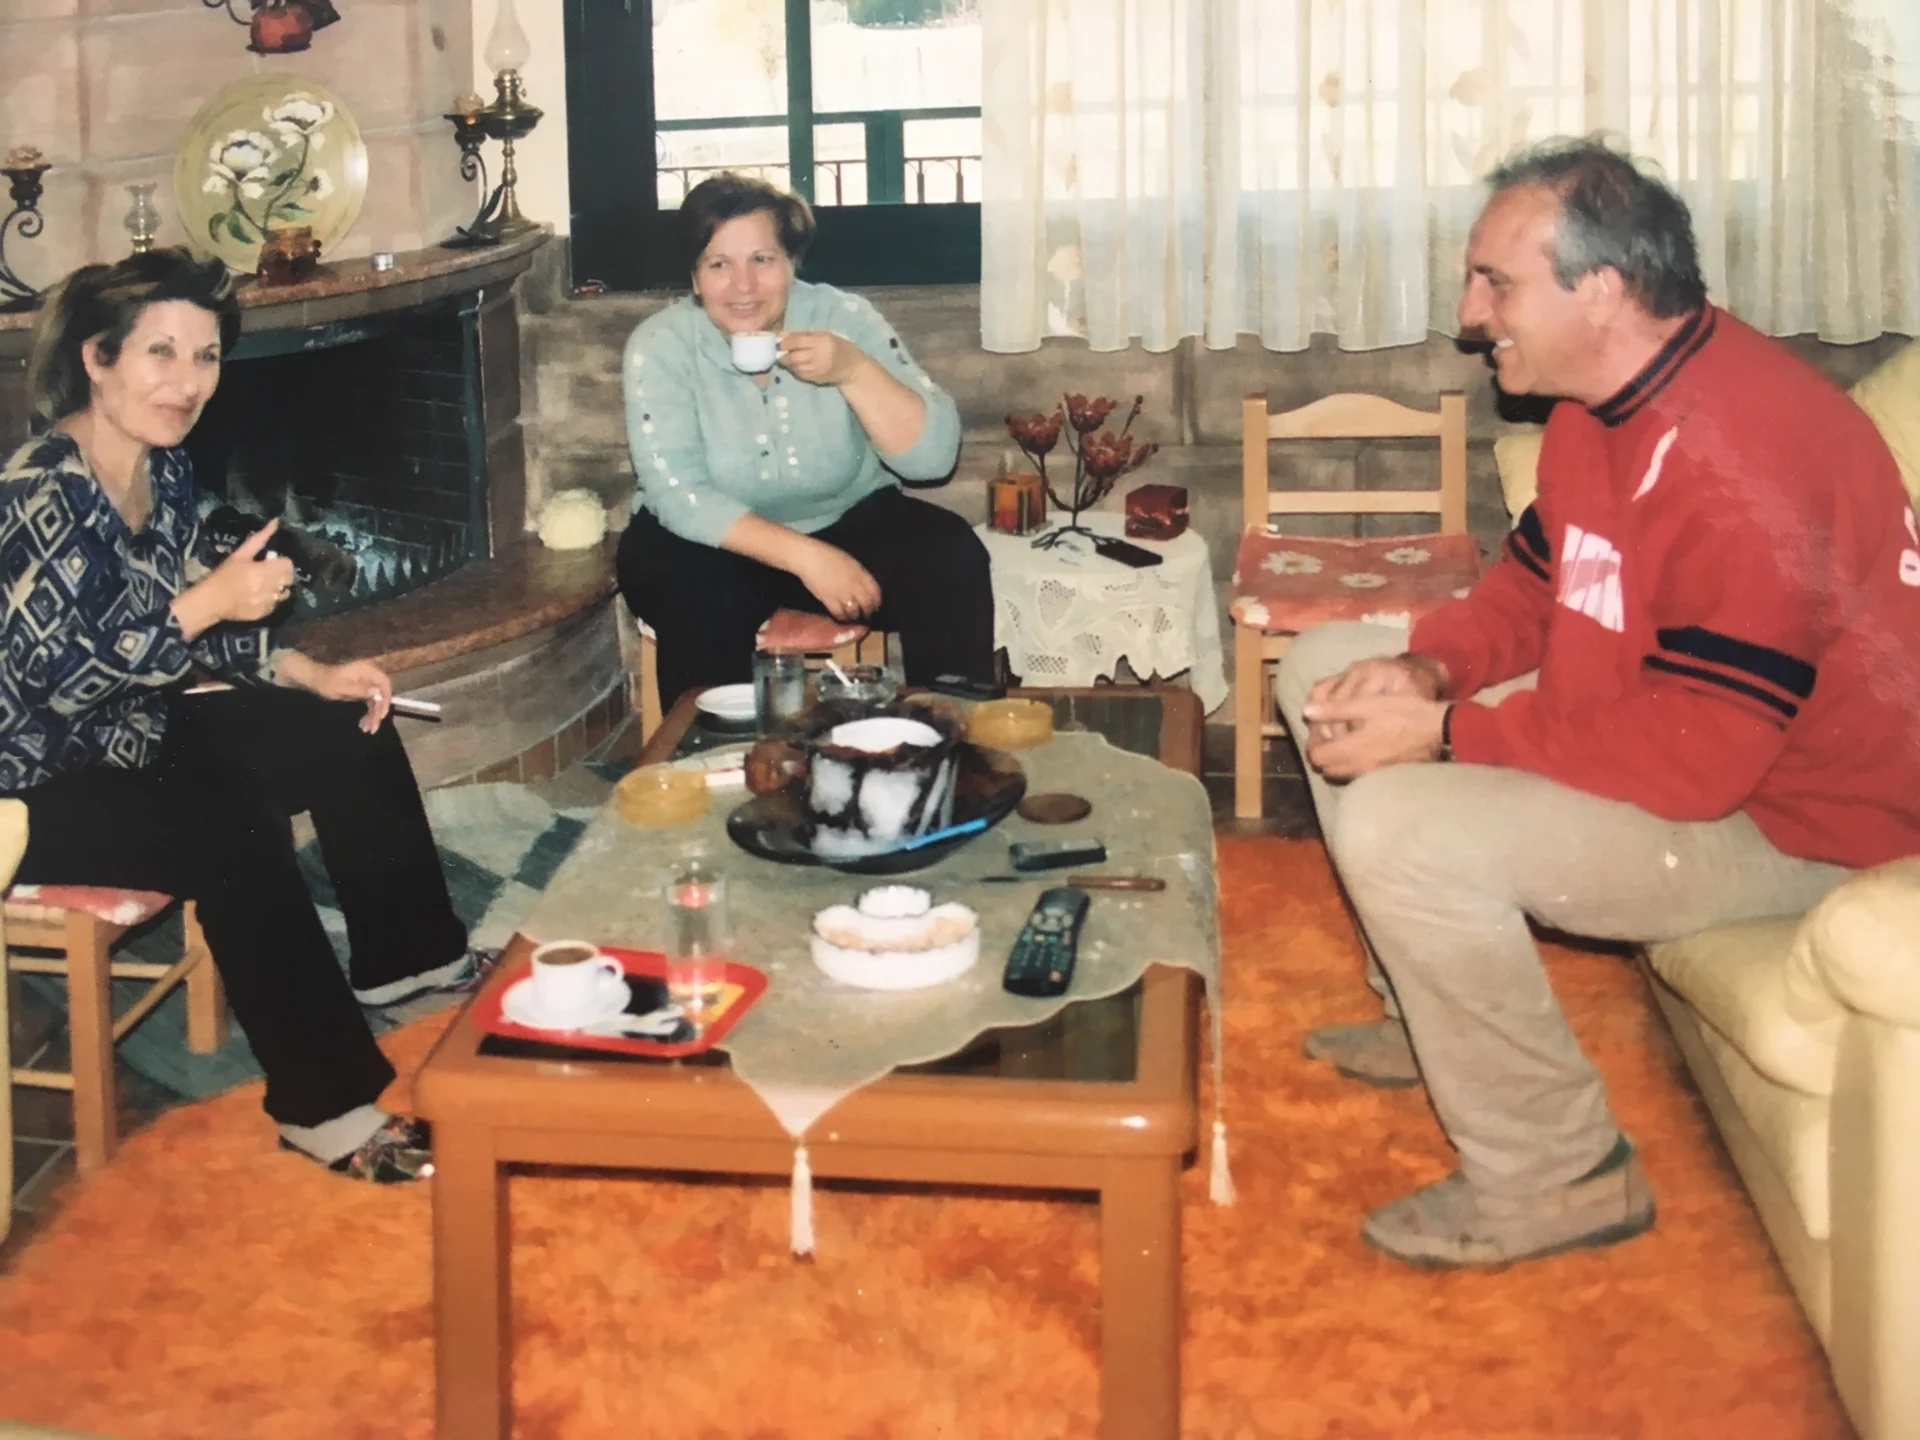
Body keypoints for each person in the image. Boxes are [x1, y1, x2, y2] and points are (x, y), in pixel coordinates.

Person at [1275, 136, 1920, 1268]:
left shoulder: (1747, 464)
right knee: (1322, 665)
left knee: (1401, 824)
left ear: (1603, 290)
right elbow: (1538, 582)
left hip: (1803, 830)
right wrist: (1430, 671)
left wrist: (1449, 734)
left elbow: (1700, 762)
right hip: (1688, 734)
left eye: (1497, 283)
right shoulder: (1602, 401)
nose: (1472, 315)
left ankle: (1558, 1177)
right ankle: (1430, 1012)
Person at [1, 248, 493, 1184]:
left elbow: (199, 625)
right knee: (229, 827)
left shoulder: (163, 469)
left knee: (345, 729)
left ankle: (412, 959)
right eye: (160, 353)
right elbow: (56, 676)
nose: (187, 382)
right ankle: (325, 1106)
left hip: (131, 730)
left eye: (206, 357)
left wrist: (309, 671)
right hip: (34, 784)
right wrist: (207, 605)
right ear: (97, 359)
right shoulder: (37, 486)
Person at [614, 172, 994, 704]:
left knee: (951, 555)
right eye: (719, 264)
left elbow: (932, 460)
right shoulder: (661, 345)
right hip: (710, 542)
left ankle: (948, 734)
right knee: (695, 593)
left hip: (845, 518)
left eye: (762, 259)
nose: (743, 286)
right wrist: (808, 558)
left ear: (792, 262)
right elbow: (677, 494)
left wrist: (854, 370)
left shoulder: (844, 319)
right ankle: (719, 749)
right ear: (694, 278)